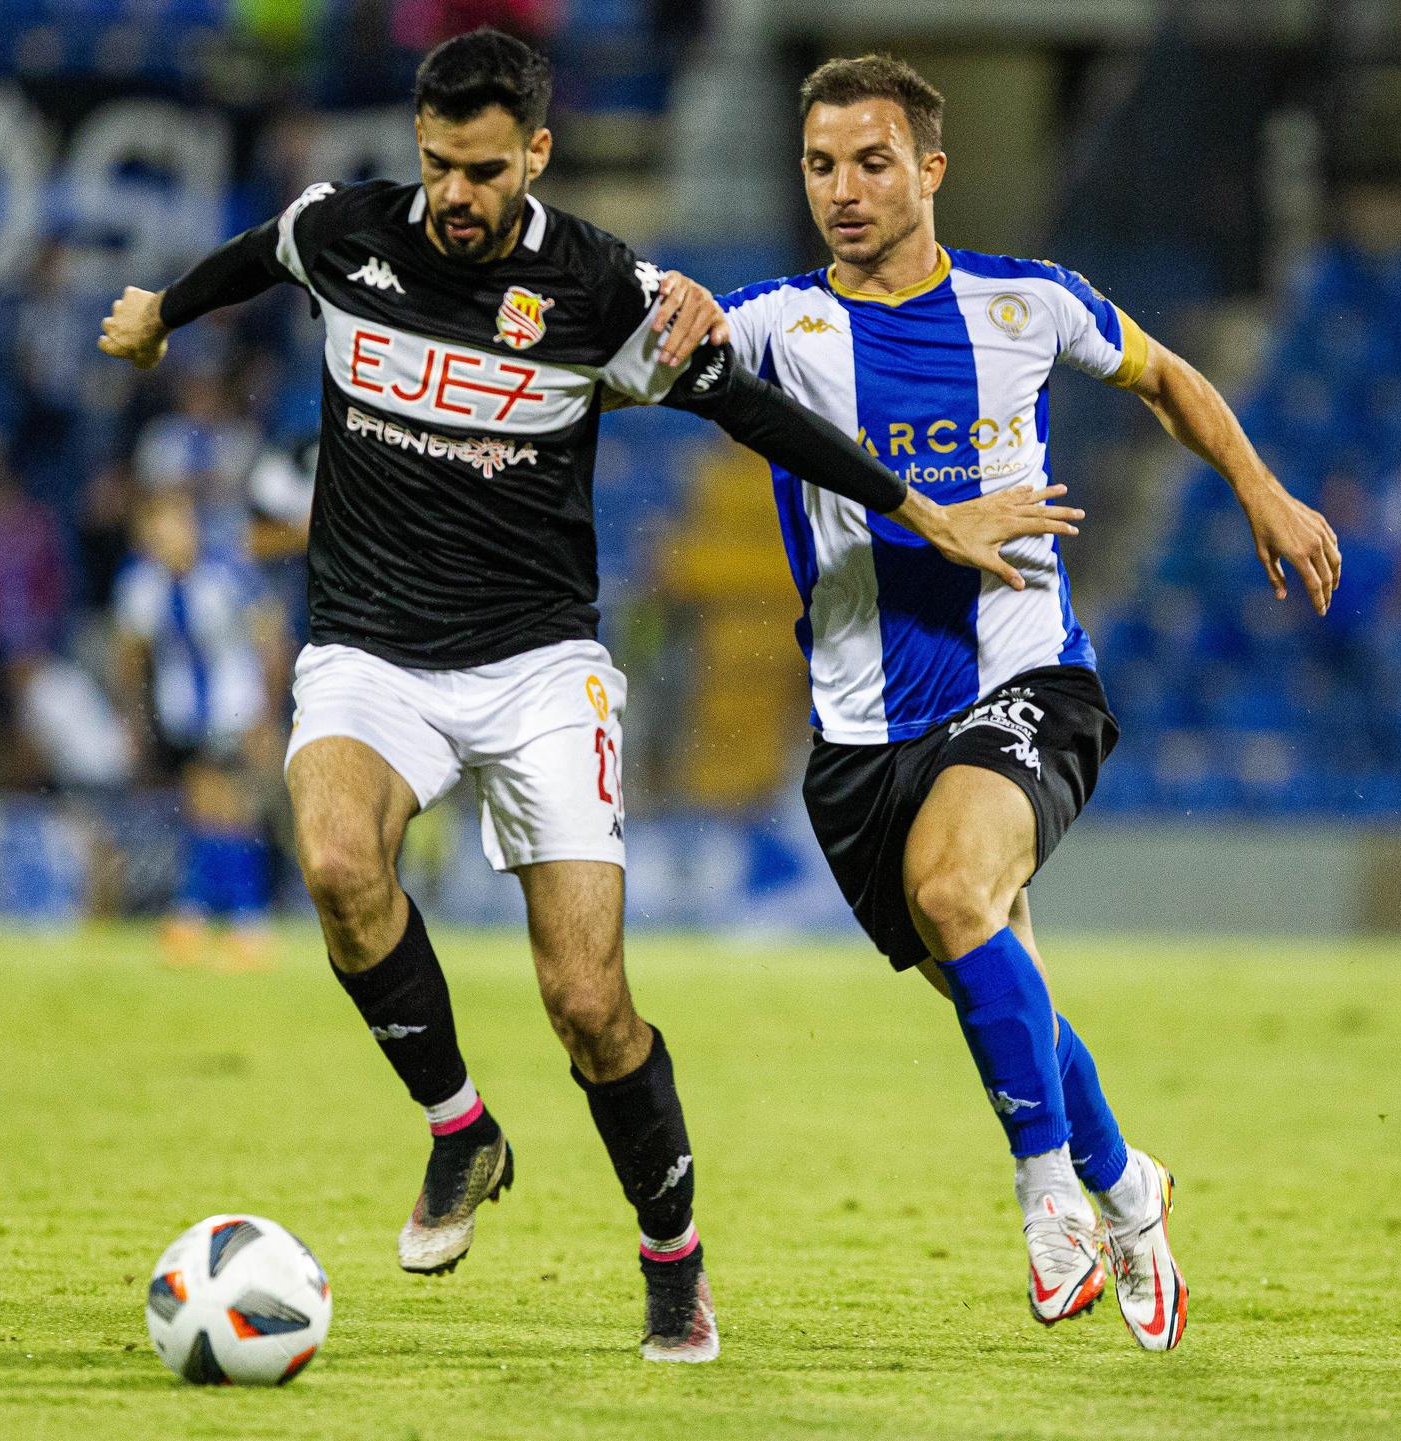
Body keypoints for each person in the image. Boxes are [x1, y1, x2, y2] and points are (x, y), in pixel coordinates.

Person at [97, 28, 1062, 1364]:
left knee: (589, 1004)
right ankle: (460, 1132)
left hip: (539, 666)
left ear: (536, 156)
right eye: (438, 163)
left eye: (484, 171)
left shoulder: (605, 290)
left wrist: (922, 512)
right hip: (370, 651)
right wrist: (159, 312)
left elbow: (754, 412)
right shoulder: (349, 233)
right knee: (334, 857)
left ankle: (674, 1262)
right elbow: (260, 250)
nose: (455, 194)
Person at [719, 55, 1342, 1350]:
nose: (843, 188)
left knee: (957, 892)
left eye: (873, 160)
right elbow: (640, 354)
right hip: (860, 741)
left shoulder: (1028, 305)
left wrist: (1262, 489)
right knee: (1005, 994)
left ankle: (1050, 1197)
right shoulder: (772, 329)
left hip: (1027, 683)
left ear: (931, 170)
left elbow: (1170, 377)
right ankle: (1128, 1182)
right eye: (821, 164)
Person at [112, 489, 282, 972]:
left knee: (229, 814)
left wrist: (268, 716)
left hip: (234, 710)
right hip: (181, 714)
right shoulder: (141, 585)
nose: (166, 536)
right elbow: (130, 657)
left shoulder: (225, 573)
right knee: (208, 813)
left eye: (174, 523)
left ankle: (224, 918)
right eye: (156, 528)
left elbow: (269, 638)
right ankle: (223, 918)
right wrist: (135, 723)